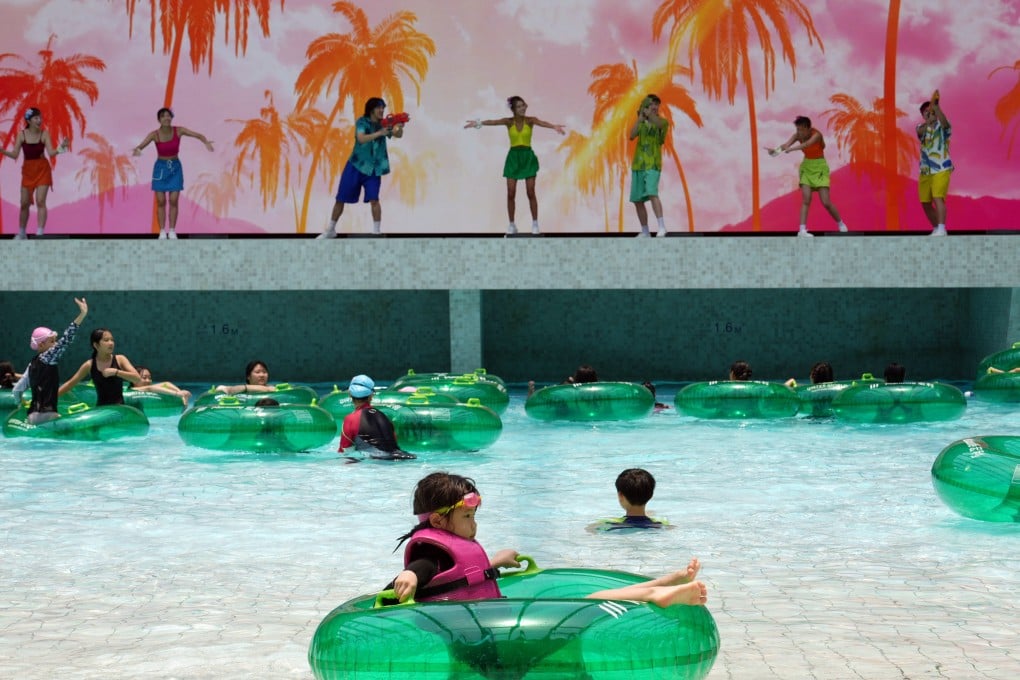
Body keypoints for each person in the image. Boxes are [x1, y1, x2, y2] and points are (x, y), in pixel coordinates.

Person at [387, 472, 706, 606]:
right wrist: (409, 574)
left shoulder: (445, 549)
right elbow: (422, 569)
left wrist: (494, 562)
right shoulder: (429, 555)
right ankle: (656, 591)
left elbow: (458, 578)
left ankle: (661, 587)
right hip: (485, 628)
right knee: (586, 603)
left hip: (487, 621)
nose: (474, 526)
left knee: (587, 600)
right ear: (440, 521)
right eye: (468, 517)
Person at [465, 96, 565, 236]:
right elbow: (493, 122)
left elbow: (542, 123)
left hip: (527, 157)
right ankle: (512, 225)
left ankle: (535, 224)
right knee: (511, 193)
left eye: (523, 105)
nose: (522, 108)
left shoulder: (530, 120)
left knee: (530, 192)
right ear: (513, 109)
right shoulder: (508, 121)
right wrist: (478, 123)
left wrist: (554, 126)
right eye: (519, 106)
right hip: (513, 158)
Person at [318, 97, 404, 238]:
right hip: (355, 166)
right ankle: (331, 230)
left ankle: (376, 231)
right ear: (371, 109)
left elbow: (398, 134)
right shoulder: (362, 122)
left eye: (383, 107)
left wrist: (398, 126)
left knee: (374, 200)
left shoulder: (384, 124)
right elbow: (361, 138)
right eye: (379, 107)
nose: (382, 110)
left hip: (374, 170)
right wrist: (380, 133)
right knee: (341, 198)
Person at [132, 107, 215, 239]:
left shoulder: (179, 130)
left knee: (173, 200)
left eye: (169, 116)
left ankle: (171, 230)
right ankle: (162, 231)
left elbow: (197, 135)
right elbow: (140, 146)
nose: (167, 118)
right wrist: (137, 150)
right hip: (160, 169)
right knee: (160, 201)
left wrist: (205, 142)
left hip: (175, 168)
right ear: (159, 119)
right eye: (163, 116)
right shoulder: (154, 134)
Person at [11, 297, 88, 424]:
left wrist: (20, 404)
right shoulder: (48, 357)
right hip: (48, 415)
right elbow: (66, 339)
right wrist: (82, 315)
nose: (55, 344)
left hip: (32, 416)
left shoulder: (32, 364)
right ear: (41, 345)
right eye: (52, 341)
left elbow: (17, 390)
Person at [770, 116, 848, 237]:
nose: (799, 132)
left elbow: (806, 145)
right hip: (807, 166)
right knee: (806, 199)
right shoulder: (797, 135)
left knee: (826, 202)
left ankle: (841, 224)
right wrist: (775, 151)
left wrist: (791, 149)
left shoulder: (816, 135)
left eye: (801, 130)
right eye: (797, 129)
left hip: (820, 167)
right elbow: (785, 145)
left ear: (808, 128)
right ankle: (802, 231)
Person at [1, 107, 70, 239]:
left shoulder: (44, 134)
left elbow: (51, 153)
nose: (40, 120)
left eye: (40, 118)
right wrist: (3, 151)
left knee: (40, 201)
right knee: (24, 203)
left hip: (42, 169)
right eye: (36, 118)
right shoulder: (22, 134)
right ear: (29, 120)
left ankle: (40, 232)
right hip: (28, 170)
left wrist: (62, 147)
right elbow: (15, 154)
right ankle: (21, 233)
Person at [338, 374, 414, 461]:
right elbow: (393, 446)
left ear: (350, 394)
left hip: (375, 464)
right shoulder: (385, 417)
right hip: (399, 458)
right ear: (371, 395)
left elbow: (345, 451)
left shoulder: (350, 419)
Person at [59, 328, 143, 405]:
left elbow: (137, 379)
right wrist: (49, 400)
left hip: (119, 408)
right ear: (96, 345)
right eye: (106, 340)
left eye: (112, 340)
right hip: (101, 410)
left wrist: (116, 372)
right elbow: (70, 384)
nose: (111, 343)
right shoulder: (89, 365)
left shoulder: (120, 359)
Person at [629, 94, 670, 238]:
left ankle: (662, 227)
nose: (654, 107)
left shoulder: (662, 122)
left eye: (656, 105)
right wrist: (640, 119)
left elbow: (658, 124)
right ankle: (645, 230)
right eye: (651, 104)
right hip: (638, 165)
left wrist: (647, 114)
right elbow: (631, 135)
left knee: (652, 193)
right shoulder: (641, 123)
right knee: (637, 200)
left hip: (653, 163)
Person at [916, 92, 952, 236]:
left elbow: (945, 123)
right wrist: (928, 122)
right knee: (925, 202)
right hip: (925, 170)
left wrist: (937, 109)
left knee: (938, 197)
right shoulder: (921, 127)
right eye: (925, 112)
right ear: (922, 115)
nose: (928, 113)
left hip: (942, 167)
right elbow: (920, 131)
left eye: (929, 110)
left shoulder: (943, 127)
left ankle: (942, 228)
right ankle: (937, 228)